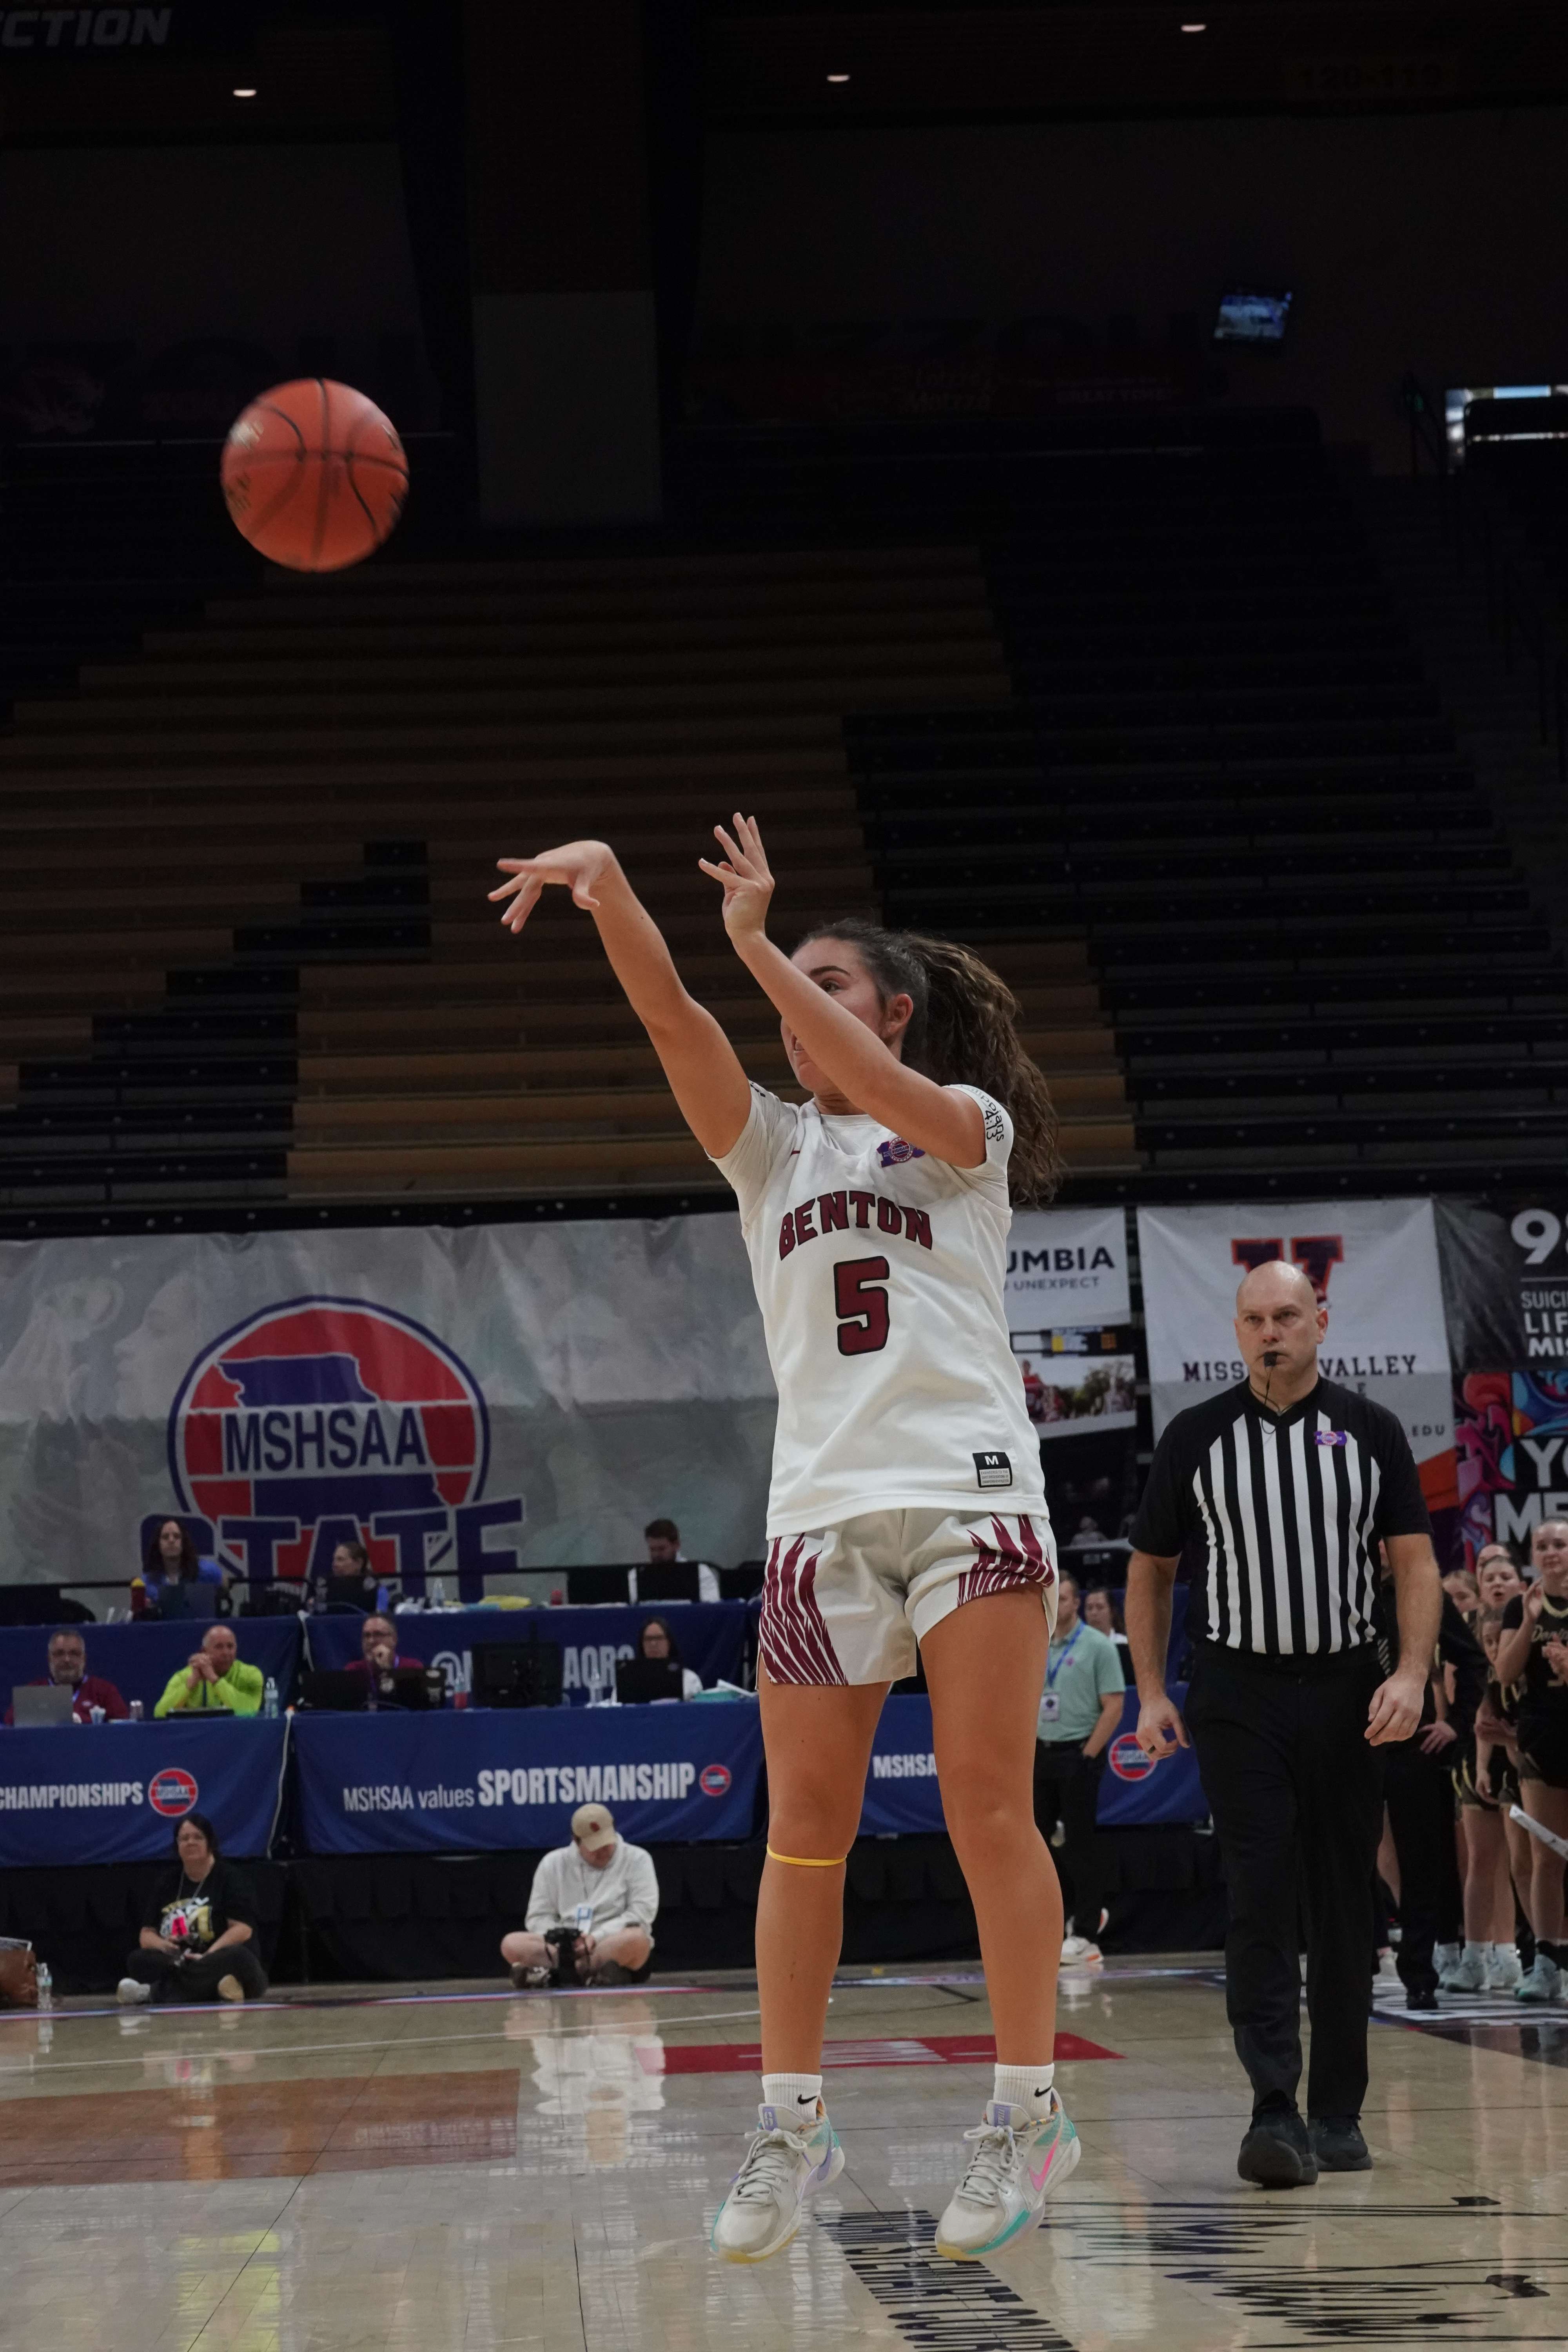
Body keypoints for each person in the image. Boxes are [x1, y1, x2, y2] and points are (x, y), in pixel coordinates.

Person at [491, 817, 1073, 2265]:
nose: (790, 1003)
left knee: (984, 1808)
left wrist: (756, 941)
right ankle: (792, 2119)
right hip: (819, 1514)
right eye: (787, 982)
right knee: (802, 1834)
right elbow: (670, 1015)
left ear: (892, 1009)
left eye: (827, 981)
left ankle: (1026, 2110)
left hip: (969, 1495)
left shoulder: (963, 1125)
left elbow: (870, 1077)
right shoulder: (772, 1147)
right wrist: (611, 889)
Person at [1126, 1259, 1443, 2187]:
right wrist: (1150, 1691)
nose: (1271, 1332)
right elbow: (1149, 1570)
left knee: (1344, 1900)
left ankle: (1337, 2112)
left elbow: (1414, 1563)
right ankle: (1273, 2107)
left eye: (1288, 1316)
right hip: (1237, 1693)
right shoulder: (1194, 1436)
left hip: (1346, 1691)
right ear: (1236, 1332)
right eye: (1255, 1319)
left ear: (1319, 1322)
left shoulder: (1371, 1430)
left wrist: (1411, 1675)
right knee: (1258, 1894)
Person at [1379, 1555, 1485, 2008]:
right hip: (1345, 1746)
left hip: (1412, 1744)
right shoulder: (1334, 1589)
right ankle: (1355, 1963)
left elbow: (1473, 1660)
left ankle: (1419, 1973)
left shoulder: (1420, 1592)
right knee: (1347, 1857)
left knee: (1421, 1863)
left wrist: (1456, 1724)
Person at [1494, 1515, 1568, 2001]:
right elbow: (1504, 1672)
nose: (1550, 1551)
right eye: (1542, 1545)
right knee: (1546, 1856)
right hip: (1541, 1740)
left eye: (1559, 1543)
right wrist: (1529, 1622)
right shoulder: (1522, 1605)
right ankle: (1545, 1961)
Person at [1033, 1572, 1125, 1963]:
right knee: (1037, 1843)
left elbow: (1115, 1705)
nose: (1059, 1605)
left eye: (1066, 1598)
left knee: (1080, 1844)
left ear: (1076, 1603)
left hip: (1078, 1753)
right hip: (1041, 1754)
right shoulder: (1038, 1643)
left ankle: (1087, 1932)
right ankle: (1053, 1922)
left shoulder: (1097, 1646)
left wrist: (1088, 1755)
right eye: (1054, 1598)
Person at [1443, 1611, 1526, 1993]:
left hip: (1527, 1761)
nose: (1494, 1647)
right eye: (1487, 1641)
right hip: (1484, 1764)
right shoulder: (1485, 1677)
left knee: (1521, 1865)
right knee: (1481, 1861)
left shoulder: (1530, 1668)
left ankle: (1513, 1955)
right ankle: (1475, 1957)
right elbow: (1481, 1721)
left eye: (1499, 1640)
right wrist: (1480, 1768)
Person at [501, 1804, 658, 1988]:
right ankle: (597, 1974)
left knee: (637, 1939)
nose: (603, 1851)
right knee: (511, 1944)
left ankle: (555, 1974)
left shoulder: (638, 1859)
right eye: (595, 1847)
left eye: (606, 1843)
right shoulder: (552, 1863)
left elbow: (641, 1914)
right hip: (563, 1951)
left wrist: (596, 1938)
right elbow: (538, 1917)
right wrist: (565, 1940)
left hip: (610, 1943)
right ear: (576, 1841)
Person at [117, 1814, 268, 2005]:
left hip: (218, 1958)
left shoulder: (230, 1878)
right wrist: (166, 1947)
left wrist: (207, 1956)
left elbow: (243, 1930)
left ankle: (150, 1994)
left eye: (198, 1837)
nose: (191, 1842)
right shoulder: (167, 1882)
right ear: (177, 1846)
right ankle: (220, 1989)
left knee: (239, 1957)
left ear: (210, 1843)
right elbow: (146, 1936)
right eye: (184, 1838)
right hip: (181, 1960)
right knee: (137, 1960)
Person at [3, 1628, 127, 1724]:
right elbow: (10, 1728)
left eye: (74, 1653)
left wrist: (83, 1722)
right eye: (59, 1654)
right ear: (50, 1659)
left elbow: (123, 1730)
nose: (67, 1660)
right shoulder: (32, 1693)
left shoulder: (105, 1691)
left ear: (84, 1659)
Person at [153, 1622, 264, 1717]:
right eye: (219, 1647)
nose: (226, 1653)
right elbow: (160, 1714)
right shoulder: (184, 1677)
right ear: (204, 1652)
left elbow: (249, 1712)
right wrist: (190, 1684)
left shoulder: (251, 1675)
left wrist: (214, 1680)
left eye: (230, 1647)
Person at [132, 1518, 224, 1619]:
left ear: (184, 1542)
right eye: (165, 1537)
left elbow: (224, 1585)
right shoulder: (147, 1582)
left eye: (177, 1536)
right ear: (158, 1544)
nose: (171, 1541)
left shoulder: (208, 1571)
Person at [629, 1519, 720, 1603]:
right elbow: (623, 1608)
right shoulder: (636, 1576)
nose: (656, 1555)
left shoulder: (700, 1573)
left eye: (662, 1549)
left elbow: (711, 1608)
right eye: (652, 1549)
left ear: (677, 1545)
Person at [342, 1613, 426, 1690]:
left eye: (378, 1634)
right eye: (367, 1636)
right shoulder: (353, 1670)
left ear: (394, 1640)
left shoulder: (412, 1668)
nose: (371, 1641)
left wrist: (386, 1670)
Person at [630, 1615, 702, 1699]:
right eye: (648, 1639)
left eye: (659, 1638)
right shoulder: (630, 1681)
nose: (653, 1644)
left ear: (669, 1643)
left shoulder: (689, 1680)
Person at [310, 1537, 381, 1613]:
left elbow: (382, 1614)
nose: (334, 1564)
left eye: (341, 1560)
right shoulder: (324, 1584)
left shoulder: (374, 1588)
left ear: (359, 1563)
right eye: (334, 1560)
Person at [1081, 1586, 1131, 1681]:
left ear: (1112, 1612)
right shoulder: (1077, 1647)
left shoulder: (1125, 1644)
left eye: (1100, 1607)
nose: (1094, 1613)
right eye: (1090, 1608)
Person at [1476, 1550, 1524, 1615]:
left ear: (1522, 1588)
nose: (1497, 1583)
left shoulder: (1535, 1617)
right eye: (1490, 1580)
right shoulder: (1468, 1619)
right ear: (1480, 1592)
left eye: (1506, 1578)